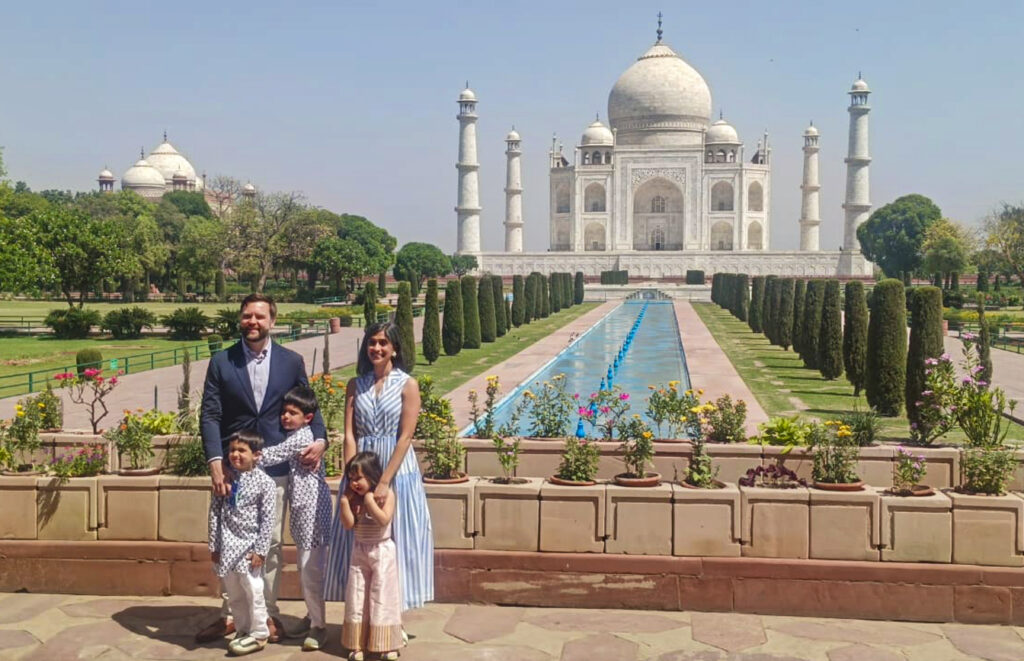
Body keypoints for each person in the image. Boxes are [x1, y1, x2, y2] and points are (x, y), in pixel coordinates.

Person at [198, 293, 328, 644]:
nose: (252, 322)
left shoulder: (290, 361)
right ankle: (231, 615)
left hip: (275, 470)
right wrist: (216, 462)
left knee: (268, 544)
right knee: (230, 541)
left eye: (259, 316)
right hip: (234, 469)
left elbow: (310, 405)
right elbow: (210, 414)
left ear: (272, 321)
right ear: (240, 319)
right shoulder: (222, 362)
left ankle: (266, 613)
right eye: (247, 316)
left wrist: (320, 439)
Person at [324, 321, 433, 617]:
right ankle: (361, 613)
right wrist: (352, 478)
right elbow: (349, 435)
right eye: (372, 342)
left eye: (383, 342)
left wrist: (384, 481)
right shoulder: (355, 385)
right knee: (357, 537)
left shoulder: (407, 384)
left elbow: (405, 436)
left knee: (398, 537)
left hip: (395, 469)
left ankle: (394, 617)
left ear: (394, 348)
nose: (377, 348)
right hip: (361, 467)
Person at [256, 386, 332, 651]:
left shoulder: (302, 438)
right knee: (306, 567)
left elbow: (273, 455)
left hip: (312, 514)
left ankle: (319, 626)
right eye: (284, 412)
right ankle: (312, 617)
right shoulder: (299, 435)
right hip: (303, 513)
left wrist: (246, 456)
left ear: (308, 417)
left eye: (292, 413)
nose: (285, 417)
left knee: (310, 570)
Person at [207, 430, 277, 657]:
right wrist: (215, 546)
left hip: (249, 547)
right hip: (227, 546)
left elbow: (268, 519)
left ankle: (259, 632)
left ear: (256, 455)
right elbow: (214, 512)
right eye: (232, 450)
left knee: (253, 589)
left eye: (241, 450)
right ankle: (243, 628)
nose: (235, 455)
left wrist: (261, 550)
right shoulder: (226, 479)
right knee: (234, 592)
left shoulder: (265, 483)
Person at [339, 452, 402, 661]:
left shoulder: (387, 495)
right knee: (357, 595)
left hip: (382, 551)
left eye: (358, 478)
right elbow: (348, 525)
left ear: (372, 475)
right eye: (351, 479)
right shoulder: (352, 499)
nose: (354, 483)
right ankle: (357, 643)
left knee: (382, 596)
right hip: (360, 550)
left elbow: (384, 520)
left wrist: (369, 501)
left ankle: (387, 644)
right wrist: (345, 503)